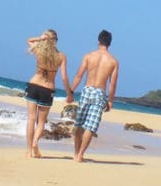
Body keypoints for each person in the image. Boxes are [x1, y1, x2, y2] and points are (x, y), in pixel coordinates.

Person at [69, 29, 119, 162]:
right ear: (109, 43)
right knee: (90, 127)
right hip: (99, 93)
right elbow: (112, 85)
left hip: (87, 90)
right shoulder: (113, 61)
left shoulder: (89, 56)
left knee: (79, 124)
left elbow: (79, 75)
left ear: (98, 41)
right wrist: (110, 102)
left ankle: (75, 153)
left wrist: (70, 92)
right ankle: (80, 155)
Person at [23, 29, 70, 158]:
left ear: (45, 39)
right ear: (55, 41)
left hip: (33, 85)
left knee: (31, 119)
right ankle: (35, 143)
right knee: (41, 121)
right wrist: (69, 94)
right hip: (47, 89)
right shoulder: (61, 56)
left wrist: (40, 38)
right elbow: (64, 78)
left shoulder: (39, 50)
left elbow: (28, 40)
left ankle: (29, 151)